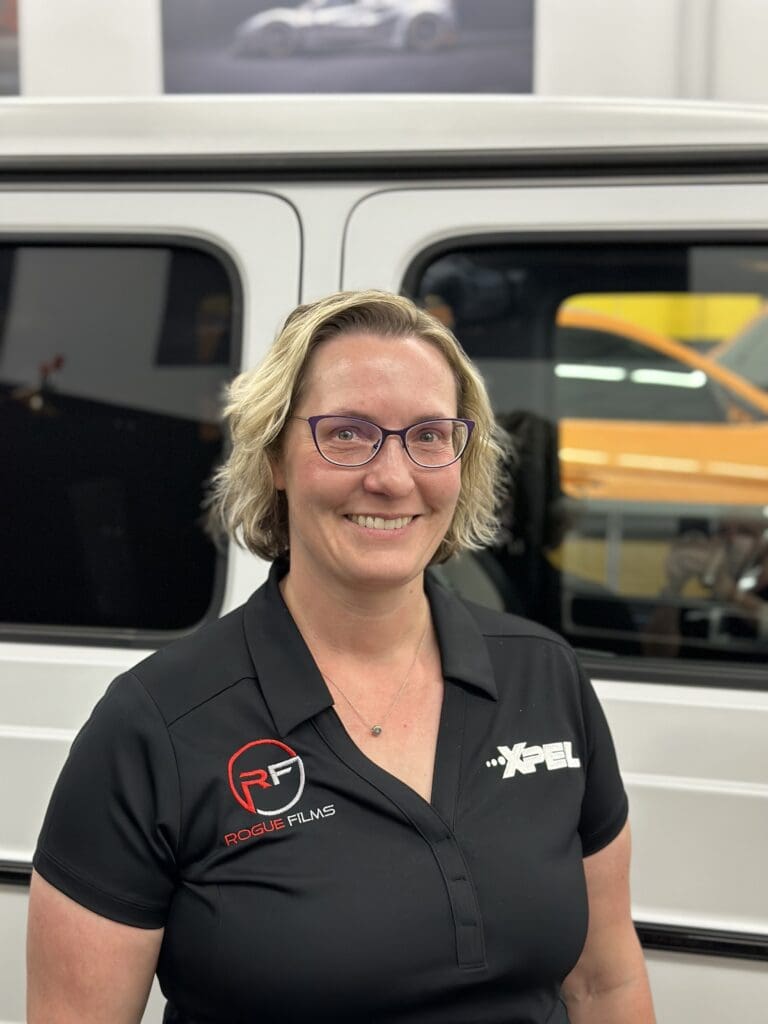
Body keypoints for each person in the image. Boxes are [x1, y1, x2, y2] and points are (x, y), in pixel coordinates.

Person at [27, 290, 655, 1023]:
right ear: (275, 458)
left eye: (429, 435)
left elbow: (603, 984)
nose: (393, 478)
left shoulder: (544, 678)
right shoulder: (155, 725)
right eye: (348, 434)